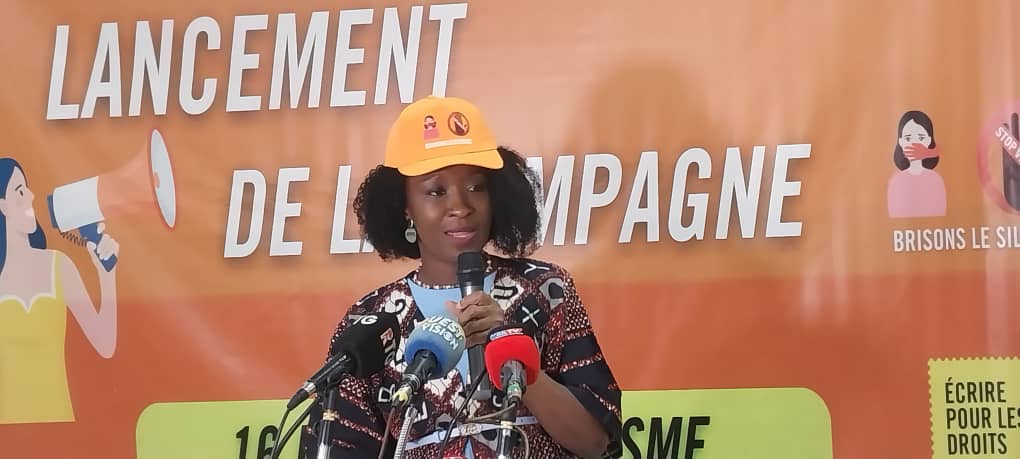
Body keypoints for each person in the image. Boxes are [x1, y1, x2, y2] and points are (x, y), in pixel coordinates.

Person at [299, 96, 621, 458]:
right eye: (436, 191)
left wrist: (512, 355)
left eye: (476, 187)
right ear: (404, 207)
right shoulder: (375, 320)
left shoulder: (547, 290)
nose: (461, 207)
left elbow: (598, 443)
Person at [0, 158, 120, 424]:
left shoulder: (58, 266)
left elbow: (105, 344)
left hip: (59, 422)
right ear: (3, 206)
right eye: (20, 190)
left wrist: (106, 275)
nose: (31, 196)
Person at [887, 110, 946, 218]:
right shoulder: (896, 181)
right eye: (908, 138)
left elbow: (940, 215)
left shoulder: (935, 179)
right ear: (901, 141)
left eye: (921, 138)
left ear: (929, 140)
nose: (914, 143)